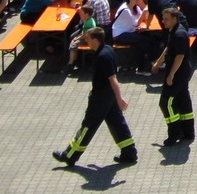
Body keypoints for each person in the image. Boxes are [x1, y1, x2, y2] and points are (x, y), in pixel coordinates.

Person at [52, 28, 138, 167]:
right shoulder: (108, 49)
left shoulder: (102, 56)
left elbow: (113, 79)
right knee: (117, 123)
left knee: (88, 126)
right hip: (108, 96)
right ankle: (129, 152)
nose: (86, 41)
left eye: (88, 39)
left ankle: (70, 155)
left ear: (95, 40)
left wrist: (120, 98)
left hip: (101, 98)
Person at [152, 7, 195, 145]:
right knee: (183, 101)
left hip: (178, 73)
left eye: (166, 19)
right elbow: (169, 49)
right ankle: (187, 132)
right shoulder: (174, 31)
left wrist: (171, 75)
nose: (163, 21)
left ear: (174, 19)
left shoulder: (180, 34)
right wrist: (158, 63)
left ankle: (174, 133)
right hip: (180, 72)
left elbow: (180, 56)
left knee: (166, 103)